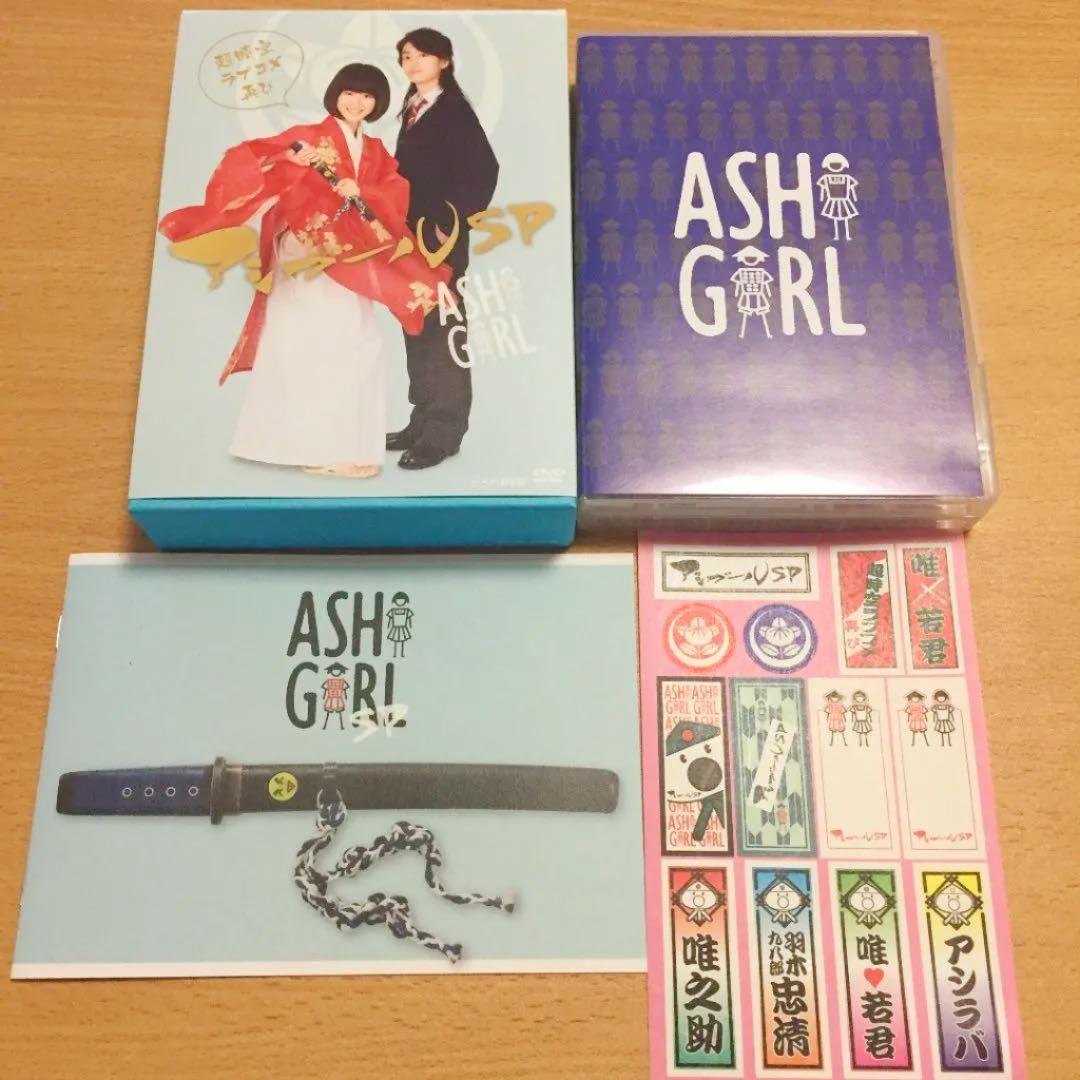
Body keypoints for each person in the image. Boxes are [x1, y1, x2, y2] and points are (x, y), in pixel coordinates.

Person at [159, 64, 449, 476]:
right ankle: (317, 450)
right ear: (336, 94)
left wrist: (362, 189)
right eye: (350, 93)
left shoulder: (374, 150)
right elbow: (253, 159)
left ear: (378, 103)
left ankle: (342, 447)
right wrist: (291, 158)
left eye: (368, 96)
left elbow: (395, 191)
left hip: (350, 252)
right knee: (313, 344)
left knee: (358, 341)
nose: (357, 103)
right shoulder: (308, 137)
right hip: (307, 250)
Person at [387, 28, 499, 469]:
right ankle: (421, 421)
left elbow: (484, 170)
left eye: (422, 55)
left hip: (439, 240)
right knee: (416, 323)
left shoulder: (452, 110)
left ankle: (443, 433)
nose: (412, 62)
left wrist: (448, 224)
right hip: (410, 236)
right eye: (406, 56)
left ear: (445, 61)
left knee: (444, 329)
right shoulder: (414, 108)